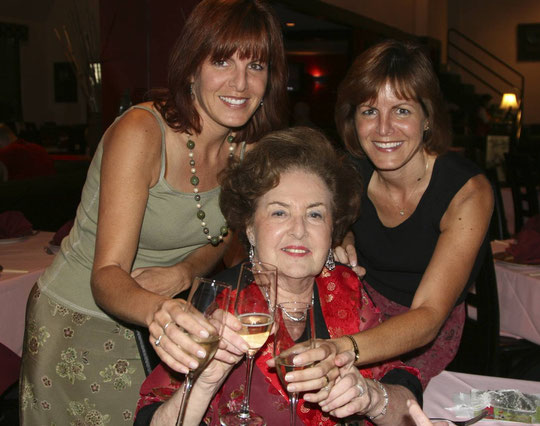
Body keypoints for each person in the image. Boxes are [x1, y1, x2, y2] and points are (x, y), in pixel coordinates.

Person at [19, 0, 287, 424]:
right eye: (222, 61)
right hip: (80, 321)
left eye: (255, 66)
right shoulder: (142, 133)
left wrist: (183, 273)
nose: (240, 84)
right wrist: (159, 310)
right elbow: (107, 276)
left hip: (170, 325)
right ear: (192, 67)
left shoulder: (246, 149)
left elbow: (219, 238)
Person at [135, 128, 423, 425]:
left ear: (332, 230)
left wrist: (371, 396)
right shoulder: (218, 304)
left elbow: (406, 399)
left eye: (314, 214)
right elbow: (150, 419)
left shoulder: (345, 287)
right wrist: (206, 380)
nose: (299, 230)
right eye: (279, 213)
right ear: (249, 228)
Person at [332, 39, 493, 388]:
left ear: (427, 118)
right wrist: (343, 235)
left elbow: (429, 317)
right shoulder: (350, 172)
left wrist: (338, 352)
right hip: (356, 312)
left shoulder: (466, 191)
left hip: (425, 334)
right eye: (369, 111)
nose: (384, 128)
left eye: (401, 110)